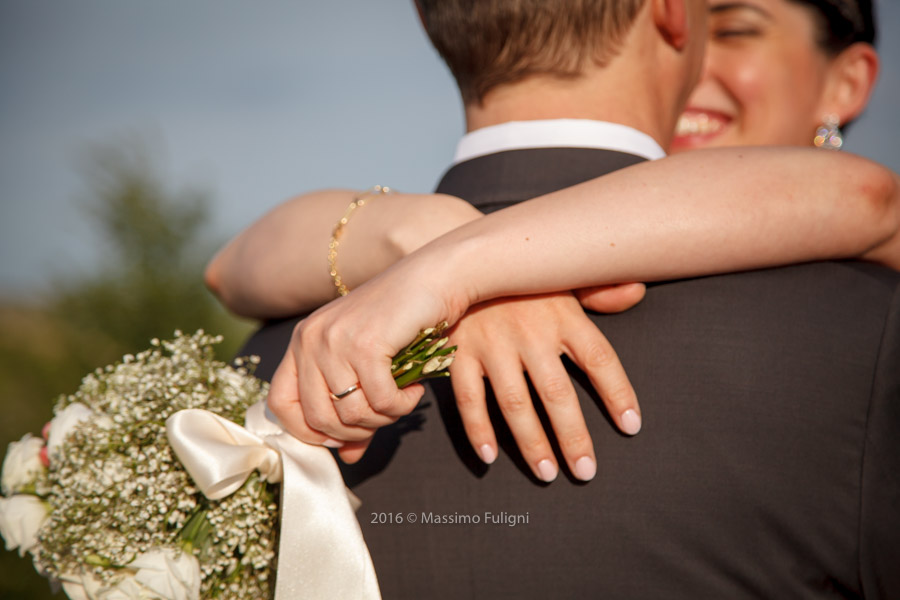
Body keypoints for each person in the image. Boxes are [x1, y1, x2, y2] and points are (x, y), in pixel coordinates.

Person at [210, 0, 900, 596]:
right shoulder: (864, 336)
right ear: (670, 11)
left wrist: (454, 262)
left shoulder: (271, 363)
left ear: (425, 15)